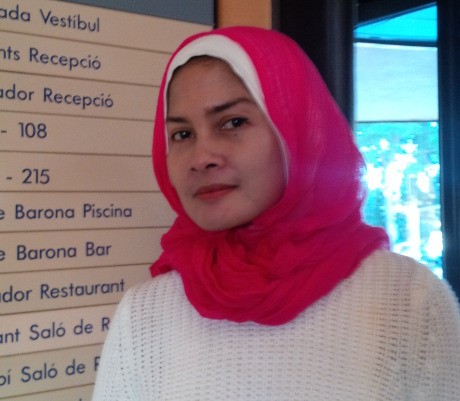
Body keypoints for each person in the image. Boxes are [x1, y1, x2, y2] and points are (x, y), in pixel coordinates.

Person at [92, 26, 460, 400]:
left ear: (296, 129)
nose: (201, 158)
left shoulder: (408, 301)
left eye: (233, 122)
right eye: (182, 134)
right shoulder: (145, 313)